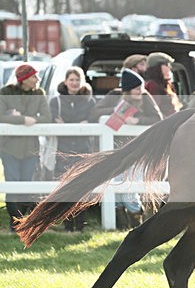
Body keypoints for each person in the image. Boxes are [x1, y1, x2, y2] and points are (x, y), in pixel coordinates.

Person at [90, 69, 164, 228]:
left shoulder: (145, 97)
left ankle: (136, 224)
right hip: (116, 149)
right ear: (128, 90)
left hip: (138, 150)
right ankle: (119, 225)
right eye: (137, 88)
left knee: (131, 186)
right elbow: (95, 112)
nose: (141, 91)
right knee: (115, 184)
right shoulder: (115, 96)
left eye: (141, 87)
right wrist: (117, 112)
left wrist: (137, 120)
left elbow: (158, 118)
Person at [0, 64, 53, 231]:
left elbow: (47, 117)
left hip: (31, 148)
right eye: (33, 77)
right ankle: (14, 224)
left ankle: (24, 224)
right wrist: (22, 120)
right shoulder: (6, 92)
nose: (37, 80)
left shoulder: (39, 93)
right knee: (13, 185)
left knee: (28, 185)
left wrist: (25, 118)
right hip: (9, 147)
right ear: (23, 79)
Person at [49, 67, 96, 231]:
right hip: (63, 150)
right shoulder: (57, 101)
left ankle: (80, 223)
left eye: (77, 79)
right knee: (66, 187)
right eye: (72, 79)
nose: (74, 83)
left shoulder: (89, 100)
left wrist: (79, 123)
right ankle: (68, 224)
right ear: (66, 81)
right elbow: (54, 119)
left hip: (83, 149)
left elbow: (92, 118)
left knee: (82, 187)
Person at [143, 52, 182, 117]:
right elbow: (154, 112)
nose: (169, 68)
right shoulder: (152, 85)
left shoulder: (168, 85)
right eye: (166, 65)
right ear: (157, 68)